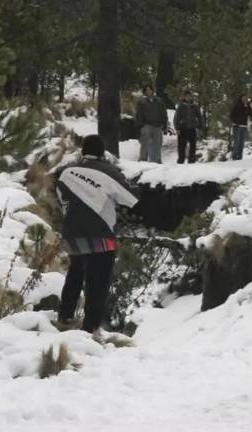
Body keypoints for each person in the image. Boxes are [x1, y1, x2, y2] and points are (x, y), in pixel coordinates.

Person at [55, 135, 139, 334]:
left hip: (73, 232)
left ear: (83, 151)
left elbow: (62, 200)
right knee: (97, 281)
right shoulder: (110, 172)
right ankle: (90, 328)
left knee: (75, 273)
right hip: (101, 233)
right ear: (102, 152)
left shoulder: (67, 172)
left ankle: (65, 318)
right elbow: (131, 198)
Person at [135, 85, 168, 163]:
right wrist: (140, 125)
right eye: (146, 90)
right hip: (146, 125)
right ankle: (143, 159)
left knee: (158, 144)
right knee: (145, 143)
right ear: (145, 92)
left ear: (152, 91)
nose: (148, 91)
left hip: (157, 125)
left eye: (150, 90)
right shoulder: (142, 101)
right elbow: (139, 115)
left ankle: (157, 160)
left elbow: (163, 113)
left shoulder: (159, 101)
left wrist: (165, 124)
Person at [173, 90, 203, 164]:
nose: (188, 97)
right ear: (184, 97)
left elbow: (200, 118)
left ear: (191, 97)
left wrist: (200, 128)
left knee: (193, 146)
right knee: (181, 146)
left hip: (192, 128)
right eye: (186, 96)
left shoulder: (195, 106)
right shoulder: (181, 106)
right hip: (182, 129)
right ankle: (181, 160)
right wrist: (177, 128)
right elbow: (176, 118)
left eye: (189, 96)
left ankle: (192, 160)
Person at [229, 94, 252, 161]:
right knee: (237, 142)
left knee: (241, 143)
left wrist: (248, 107)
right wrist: (235, 122)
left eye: (246, 98)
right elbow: (231, 115)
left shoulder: (247, 106)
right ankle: (234, 157)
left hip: (244, 126)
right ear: (240, 98)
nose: (244, 99)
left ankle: (239, 157)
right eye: (243, 98)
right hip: (237, 126)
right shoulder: (237, 105)